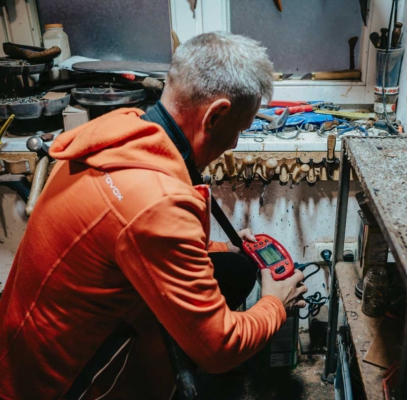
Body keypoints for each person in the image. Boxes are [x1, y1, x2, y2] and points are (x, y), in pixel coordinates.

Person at [0, 32, 307, 399]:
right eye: (239, 129)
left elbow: (141, 240)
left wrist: (225, 248)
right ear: (215, 116)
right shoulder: (155, 202)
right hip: (53, 388)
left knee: (236, 268)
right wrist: (275, 303)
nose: (234, 143)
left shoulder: (121, 132)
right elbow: (219, 350)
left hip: (18, 351)